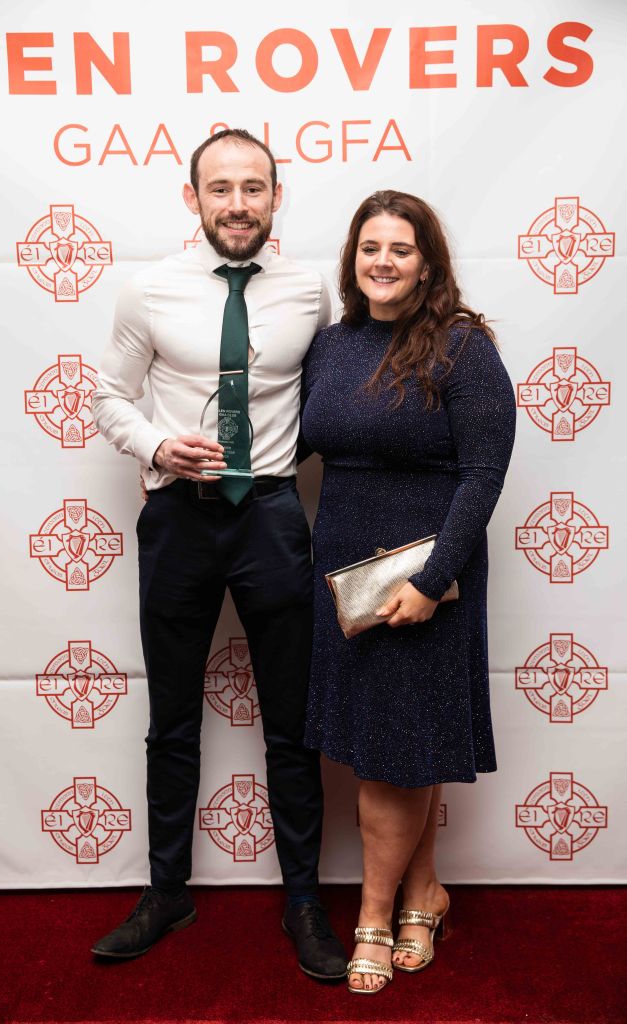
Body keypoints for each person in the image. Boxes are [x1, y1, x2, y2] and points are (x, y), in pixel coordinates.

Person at [89, 128, 347, 980]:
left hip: (271, 516)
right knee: (171, 721)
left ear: (276, 197)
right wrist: (157, 448)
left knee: (291, 725)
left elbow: (333, 396)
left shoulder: (309, 290)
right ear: (192, 197)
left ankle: (303, 902)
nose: (237, 204)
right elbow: (109, 397)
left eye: (253, 188)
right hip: (178, 521)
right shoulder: (149, 290)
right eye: (220, 189)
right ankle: (167, 892)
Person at [300, 191, 516, 994]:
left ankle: (373, 916)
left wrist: (431, 580)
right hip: (344, 576)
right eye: (369, 248)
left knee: (393, 755)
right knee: (395, 749)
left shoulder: (462, 346)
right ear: (352, 260)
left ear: (427, 263)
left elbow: (482, 474)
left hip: (424, 579)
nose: (382, 261)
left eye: (400, 248)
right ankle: (424, 893)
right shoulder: (331, 346)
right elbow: (296, 444)